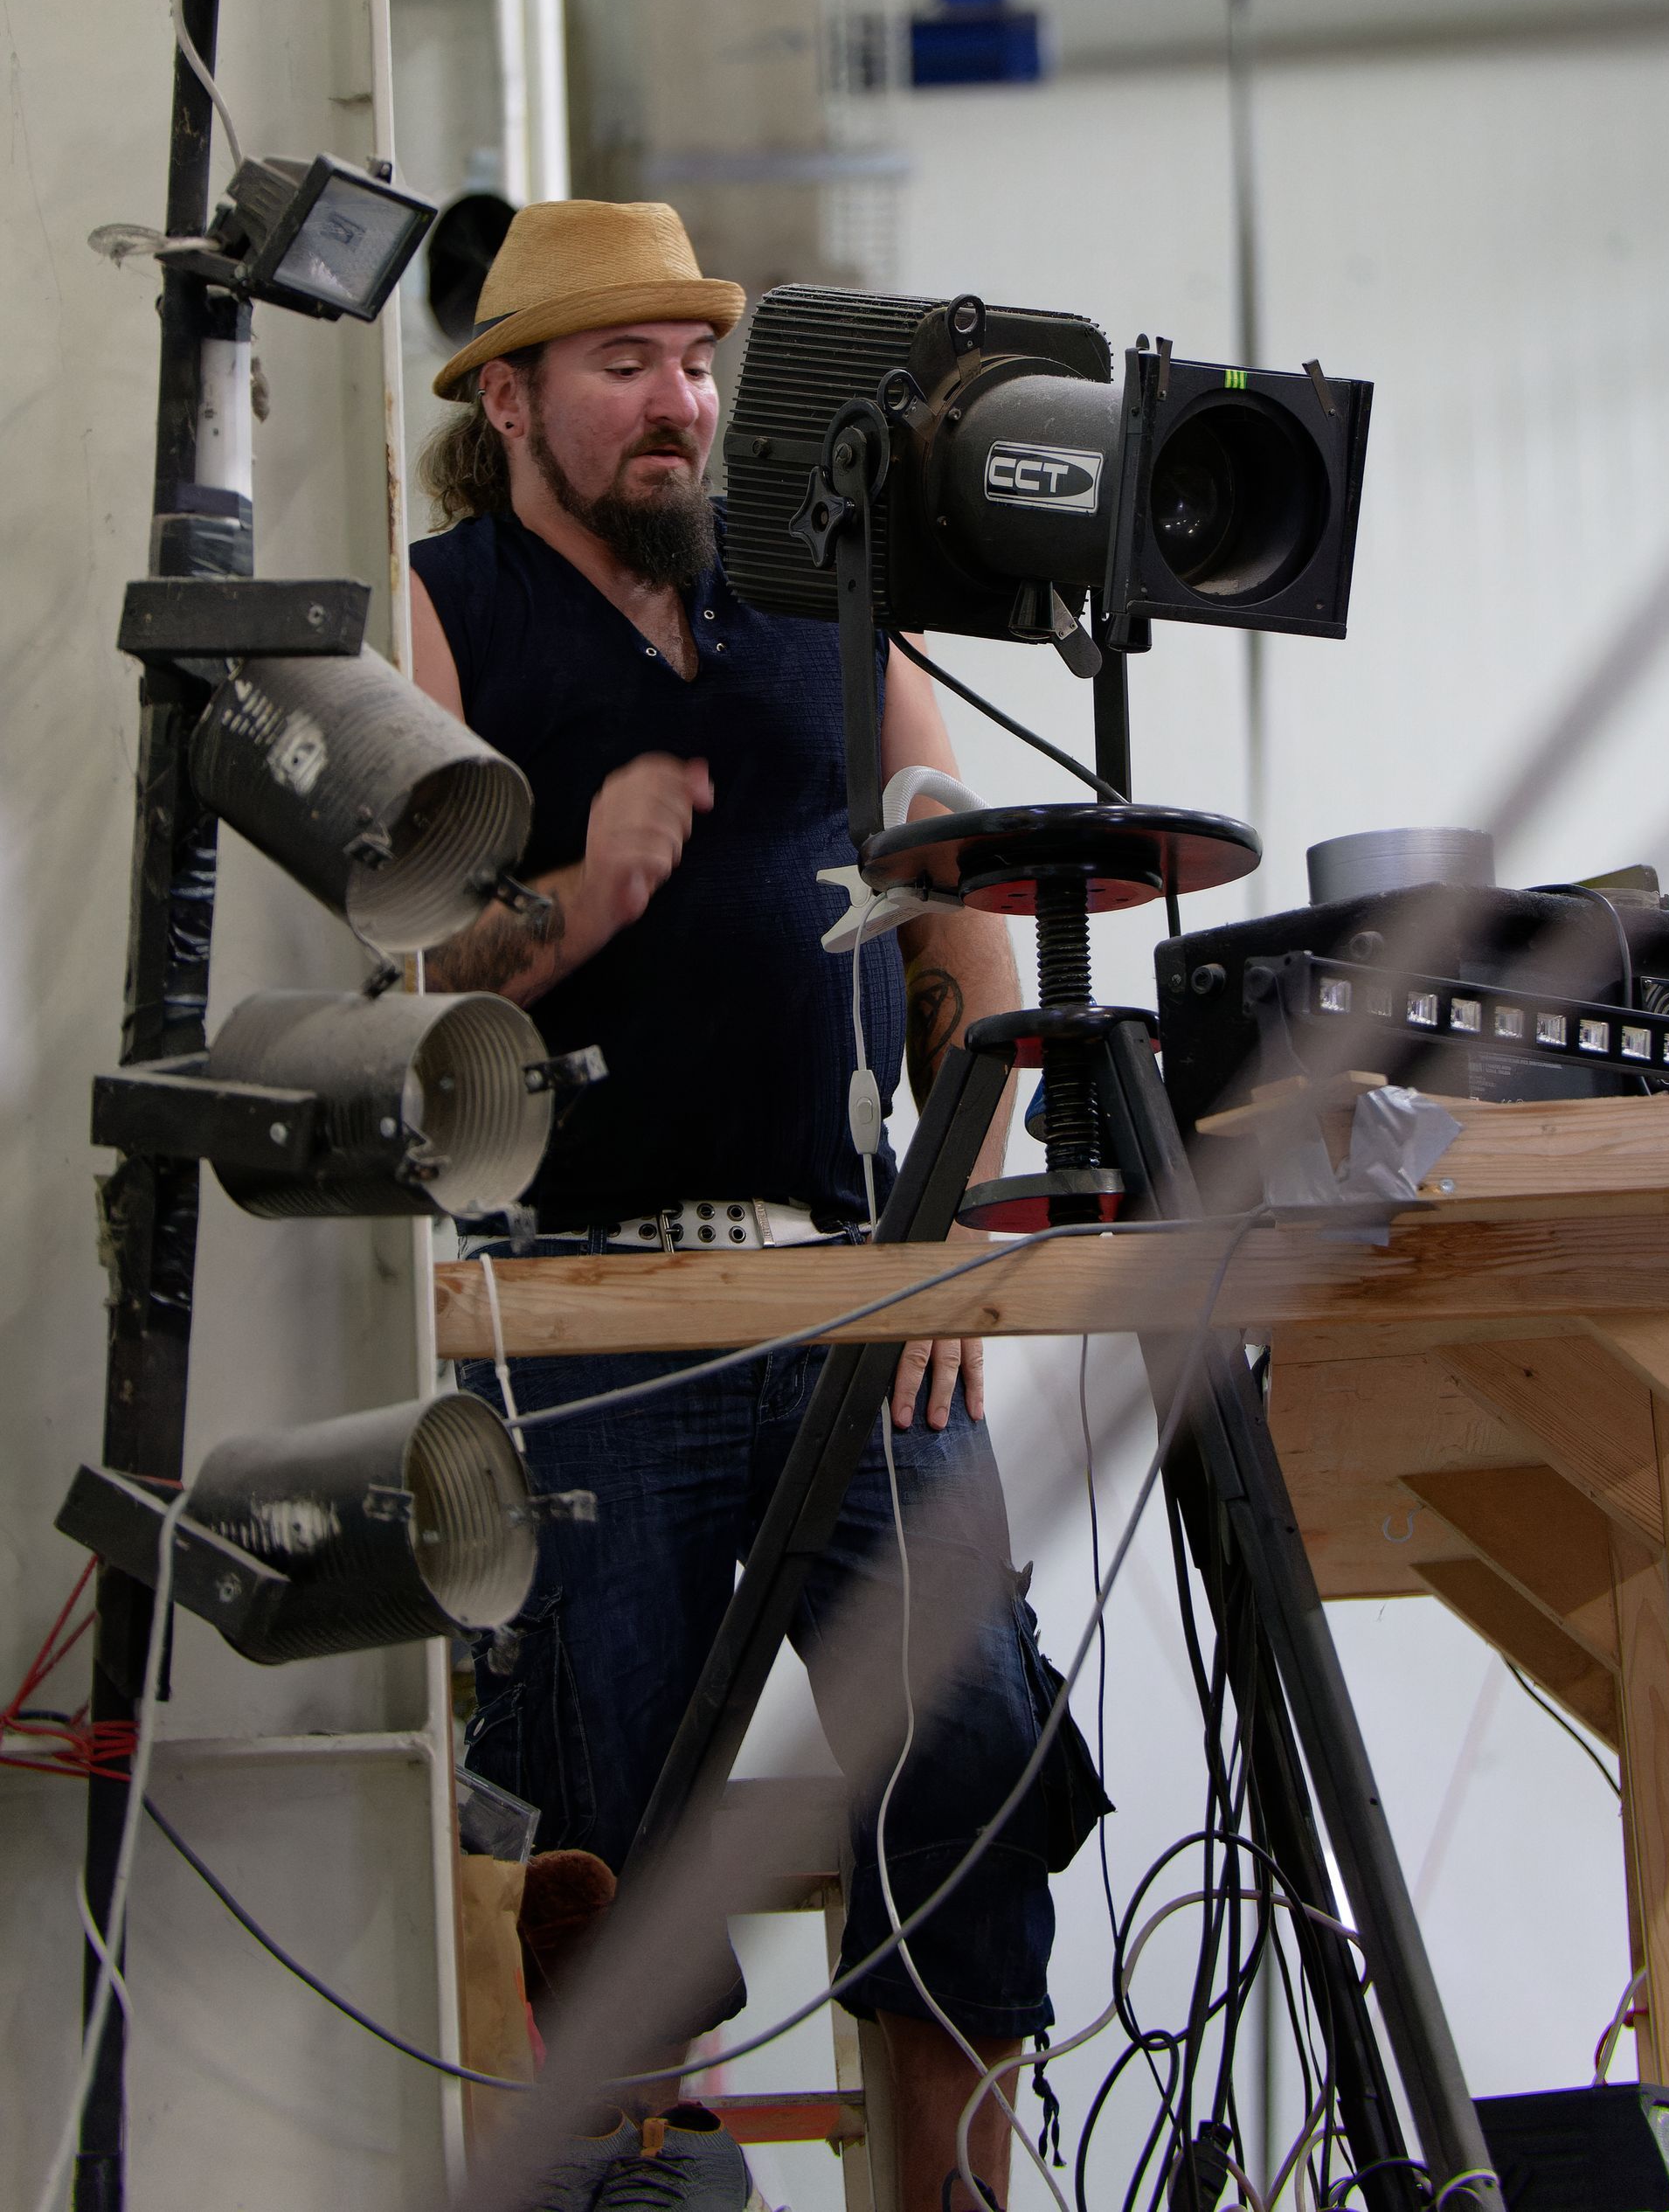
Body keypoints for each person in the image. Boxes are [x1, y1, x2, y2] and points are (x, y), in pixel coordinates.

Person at [410, 200, 1105, 2212]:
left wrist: (953, 1222)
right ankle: (653, 2182)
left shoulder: (817, 606)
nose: (679, 402)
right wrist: (568, 905)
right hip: (571, 1313)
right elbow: (384, 976)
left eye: (695, 364)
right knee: (598, 1812)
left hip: (847, 1306)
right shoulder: (441, 612)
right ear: (514, 398)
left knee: (969, 1748)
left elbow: (962, 905)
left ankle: (947, 2200)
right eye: (624, 364)